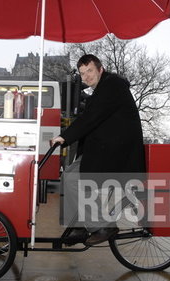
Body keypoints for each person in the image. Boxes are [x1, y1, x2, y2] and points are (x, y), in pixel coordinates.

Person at [51, 54, 146, 246]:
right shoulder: (102, 89)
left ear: (100, 69)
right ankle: (77, 226)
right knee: (68, 174)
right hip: (104, 150)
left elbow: (91, 118)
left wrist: (65, 137)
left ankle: (103, 226)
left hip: (117, 154)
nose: (86, 76)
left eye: (90, 71)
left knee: (76, 180)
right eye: (82, 73)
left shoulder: (113, 85)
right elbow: (90, 118)